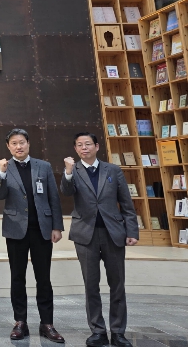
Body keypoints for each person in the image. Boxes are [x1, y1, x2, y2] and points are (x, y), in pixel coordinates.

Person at [61, 132, 139, 347]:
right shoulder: (73, 170)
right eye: (79, 145)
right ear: (75, 149)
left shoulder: (112, 170)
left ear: (97, 146)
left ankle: (118, 332)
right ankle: (97, 331)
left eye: (88, 144)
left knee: (117, 284)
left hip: (113, 233)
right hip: (86, 235)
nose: (84, 148)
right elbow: (66, 191)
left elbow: (126, 203)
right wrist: (68, 172)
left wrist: (132, 231)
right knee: (91, 285)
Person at [0, 129, 65, 342]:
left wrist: (57, 226)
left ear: (28, 144)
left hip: (42, 229)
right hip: (16, 230)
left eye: (22, 142)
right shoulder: (2, 167)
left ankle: (47, 323)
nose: (19, 146)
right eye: (14, 143)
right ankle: (20, 322)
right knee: (17, 277)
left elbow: (53, 197)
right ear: (8, 146)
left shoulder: (43, 166)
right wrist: (2, 174)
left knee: (43, 278)